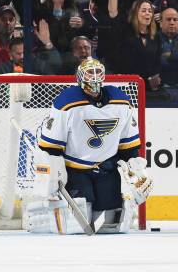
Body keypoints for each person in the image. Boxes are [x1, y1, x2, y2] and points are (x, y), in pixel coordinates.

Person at [27, 57, 153, 234]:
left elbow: (128, 144)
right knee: (77, 223)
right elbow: (50, 145)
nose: (94, 78)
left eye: (97, 73)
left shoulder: (121, 101)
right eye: (89, 73)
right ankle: (45, 219)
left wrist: (136, 169)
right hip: (75, 169)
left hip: (107, 169)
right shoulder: (67, 101)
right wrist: (55, 167)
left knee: (110, 224)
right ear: (80, 77)